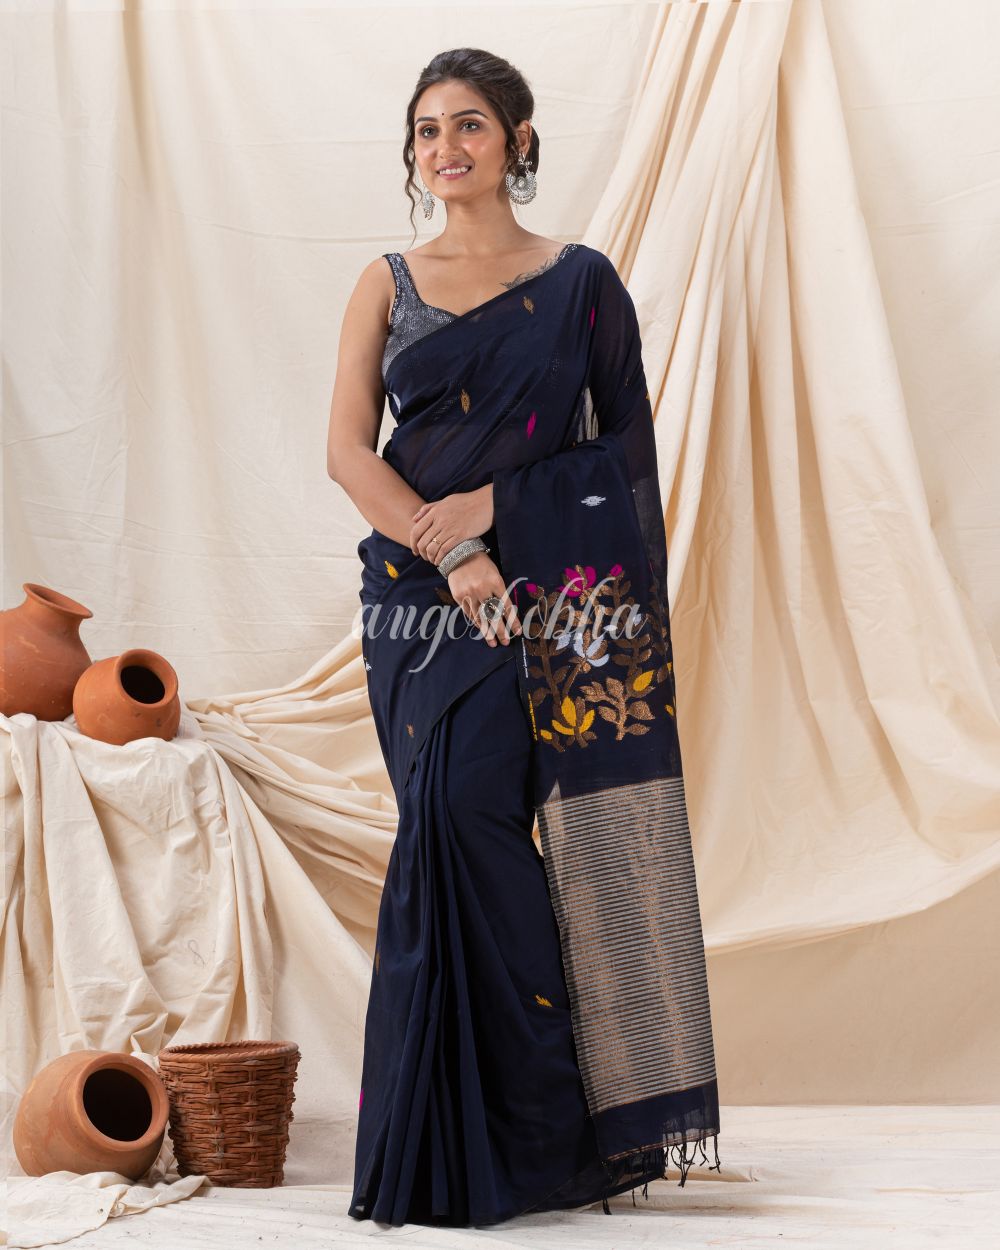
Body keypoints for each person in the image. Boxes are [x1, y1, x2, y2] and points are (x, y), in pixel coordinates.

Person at [327, 47, 721, 1229]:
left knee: (477, 823)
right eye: (426, 130)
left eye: (469, 125)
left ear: (518, 139)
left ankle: (545, 1129)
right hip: (416, 602)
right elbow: (346, 452)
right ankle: (457, 1137)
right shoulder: (386, 283)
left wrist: (500, 506)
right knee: (441, 826)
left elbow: (623, 458)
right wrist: (453, 550)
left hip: (550, 600)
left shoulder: (581, 283)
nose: (444, 148)